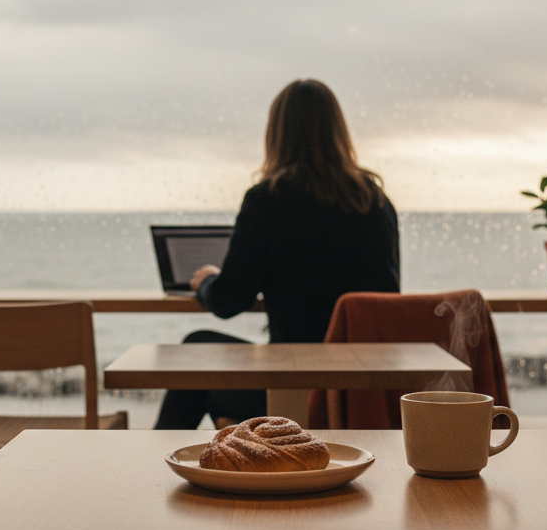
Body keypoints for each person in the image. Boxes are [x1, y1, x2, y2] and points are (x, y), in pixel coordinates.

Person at [152, 78, 401, 430]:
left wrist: (207, 281)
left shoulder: (269, 199)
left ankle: (162, 470)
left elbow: (228, 301)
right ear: (339, 132)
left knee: (197, 349)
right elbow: (388, 296)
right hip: (364, 389)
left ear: (276, 133)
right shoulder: (375, 201)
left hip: (295, 389)